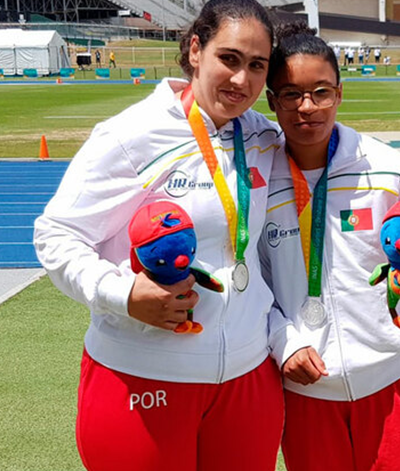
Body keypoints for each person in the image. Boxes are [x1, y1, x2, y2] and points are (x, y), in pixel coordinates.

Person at [34, 1, 285, 469]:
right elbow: (56, 234)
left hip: (249, 378)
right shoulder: (130, 136)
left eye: (257, 66)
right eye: (228, 59)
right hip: (143, 376)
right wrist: (122, 293)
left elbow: (327, 145)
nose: (241, 80)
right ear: (195, 50)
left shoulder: (262, 136)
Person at [260, 23, 400, 471]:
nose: (306, 107)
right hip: (308, 395)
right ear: (271, 101)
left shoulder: (390, 169)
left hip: (397, 385)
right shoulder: (255, 182)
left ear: (340, 93)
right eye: (290, 94)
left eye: (321, 91)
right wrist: (283, 341)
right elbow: (251, 286)